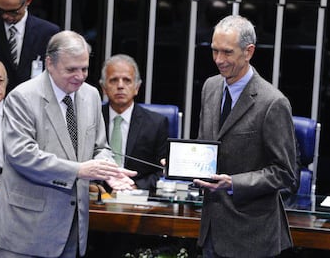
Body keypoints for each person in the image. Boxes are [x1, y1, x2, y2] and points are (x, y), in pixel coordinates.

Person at [0, 30, 137, 258]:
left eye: (84, 68)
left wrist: (107, 170)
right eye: (71, 69)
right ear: (50, 63)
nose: (79, 76)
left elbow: (100, 147)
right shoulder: (22, 97)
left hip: (72, 229)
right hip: (26, 230)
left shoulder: (91, 95)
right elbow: (22, 155)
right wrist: (79, 170)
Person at [193, 15, 298, 257]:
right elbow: (207, 145)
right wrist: (183, 163)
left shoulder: (272, 102)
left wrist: (233, 183)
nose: (219, 60)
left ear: (248, 51)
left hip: (252, 237)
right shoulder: (210, 87)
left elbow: (284, 173)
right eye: (214, 51)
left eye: (227, 52)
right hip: (211, 231)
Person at [99, 54, 168, 191]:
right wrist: (94, 185)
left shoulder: (156, 123)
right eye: (113, 80)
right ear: (104, 88)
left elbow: (163, 170)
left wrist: (135, 186)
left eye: (127, 80)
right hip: (97, 194)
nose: (120, 86)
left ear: (137, 87)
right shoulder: (93, 118)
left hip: (137, 196)